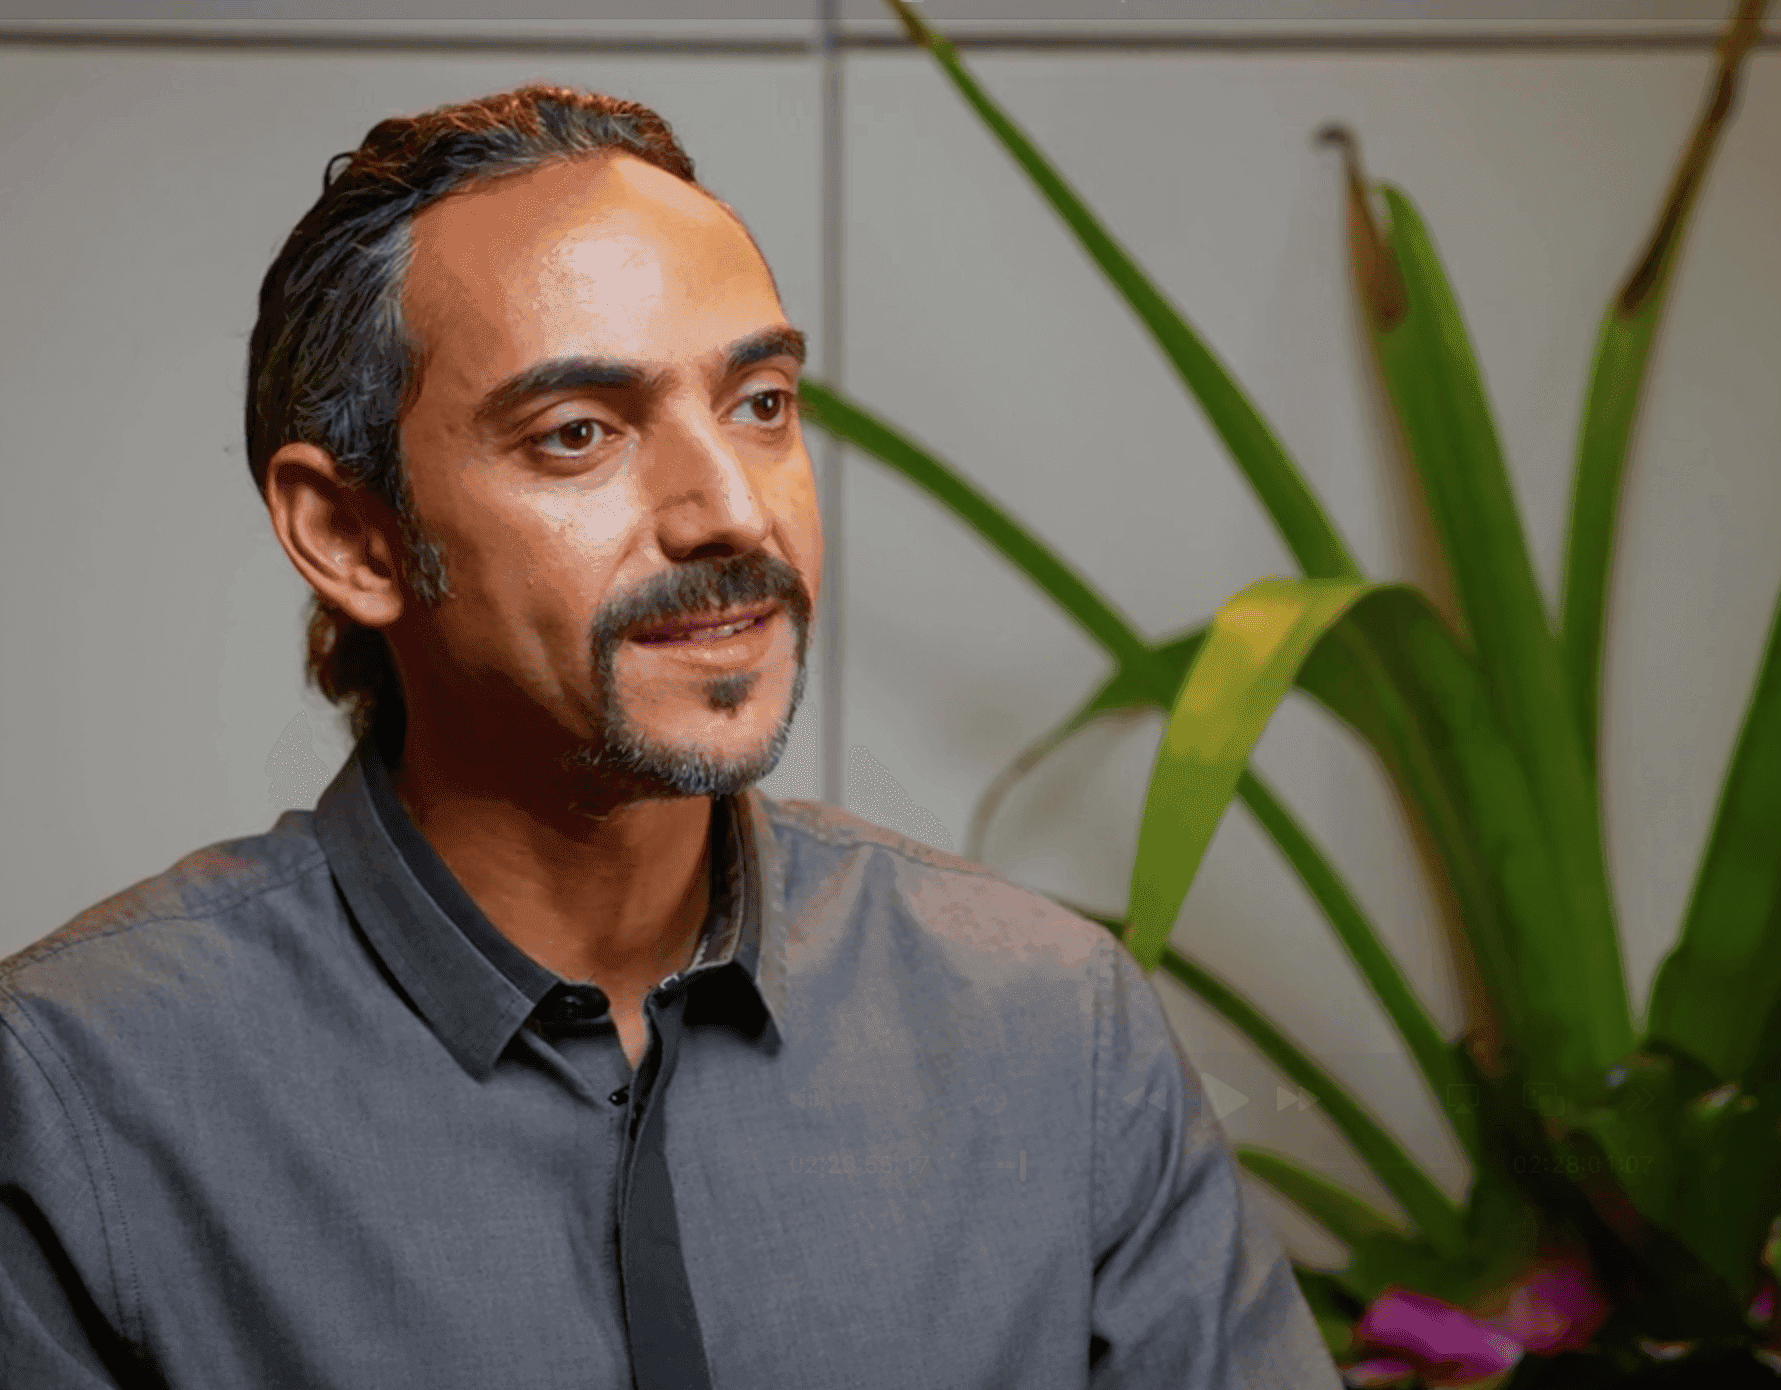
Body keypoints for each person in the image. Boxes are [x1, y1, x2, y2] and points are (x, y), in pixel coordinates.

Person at [0, 85, 1340, 1390]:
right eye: (578, 433)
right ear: (353, 537)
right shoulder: (76, 1094)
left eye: (760, 403)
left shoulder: (1058, 1030)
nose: (732, 513)